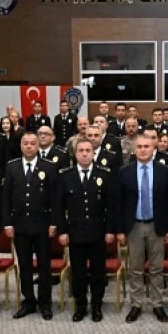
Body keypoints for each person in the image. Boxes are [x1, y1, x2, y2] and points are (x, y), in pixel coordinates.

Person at [116, 133, 168, 323]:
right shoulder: (124, 172)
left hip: (156, 226)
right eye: (139, 147)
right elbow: (118, 203)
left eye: (146, 146)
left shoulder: (165, 171)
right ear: (134, 149)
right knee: (135, 269)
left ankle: (157, 304)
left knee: (157, 268)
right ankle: (136, 304)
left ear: (154, 149)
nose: (143, 150)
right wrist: (120, 230)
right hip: (133, 226)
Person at [56, 138, 117, 323]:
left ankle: (97, 306)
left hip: (98, 232)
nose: (84, 154)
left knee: (98, 272)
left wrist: (110, 230)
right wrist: (62, 231)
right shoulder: (65, 176)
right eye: (80, 150)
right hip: (75, 233)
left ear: (93, 153)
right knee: (78, 273)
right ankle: (80, 306)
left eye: (87, 150)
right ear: (75, 154)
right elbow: (59, 207)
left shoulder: (104, 174)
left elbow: (111, 206)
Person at [3, 132, 59, 319]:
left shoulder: (49, 166)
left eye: (32, 143)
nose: (29, 146)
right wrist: (7, 224)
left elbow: (55, 198)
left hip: (43, 225)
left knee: (44, 266)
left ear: (38, 146)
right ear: (20, 146)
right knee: (24, 265)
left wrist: (54, 222)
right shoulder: (11, 167)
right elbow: (6, 199)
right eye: (25, 143)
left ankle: (45, 303)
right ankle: (28, 301)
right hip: (20, 225)